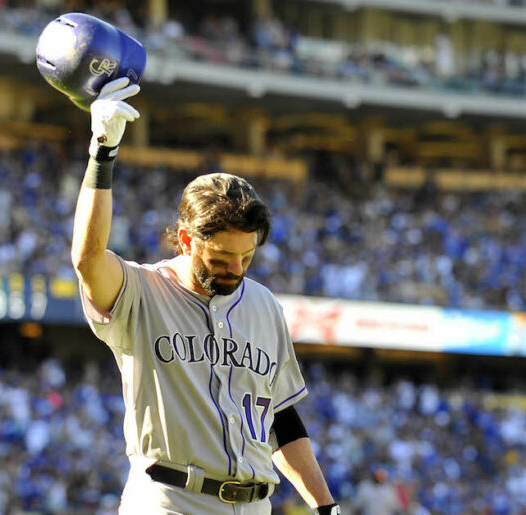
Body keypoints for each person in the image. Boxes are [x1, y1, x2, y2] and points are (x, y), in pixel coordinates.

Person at [71, 77, 340, 515]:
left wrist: (326, 507)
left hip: (255, 504)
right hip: (169, 499)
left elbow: (283, 421)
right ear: (185, 238)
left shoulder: (264, 305)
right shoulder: (141, 290)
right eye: (221, 257)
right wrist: (102, 154)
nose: (236, 270)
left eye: (247, 257)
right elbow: (87, 260)